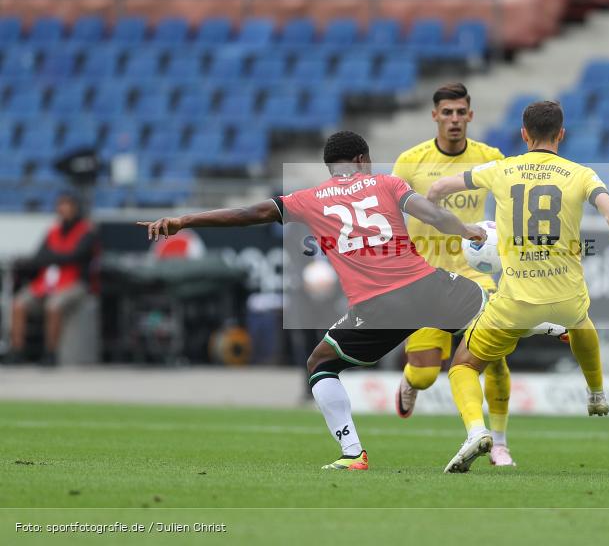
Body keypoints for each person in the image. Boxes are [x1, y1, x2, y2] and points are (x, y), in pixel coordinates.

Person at [139, 131, 488, 470]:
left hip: (378, 307)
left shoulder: (310, 198)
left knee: (320, 363)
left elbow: (248, 214)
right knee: (493, 311)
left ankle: (352, 453)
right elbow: (432, 214)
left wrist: (184, 221)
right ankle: (539, 326)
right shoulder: (388, 183)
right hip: (424, 286)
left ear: (330, 168)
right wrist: (467, 230)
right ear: (362, 160)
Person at [427, 101, 609, 473]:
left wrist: (434, 207)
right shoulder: (582, 174)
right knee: (581, 320)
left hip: (516, 299)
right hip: (566, 296)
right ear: (561, 135)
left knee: (463, 366)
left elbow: (442, 186)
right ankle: (597, 393)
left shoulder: (501, 169)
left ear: (524, 134)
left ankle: (476, 431)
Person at [391, 82, 518, 466]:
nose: (454, 120)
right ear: (435, 116)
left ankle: (498, 443)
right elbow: (390, 215)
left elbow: (512, 203)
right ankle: (410, 381)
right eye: (447, 113)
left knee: (493, 358)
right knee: (427, 374)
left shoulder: (489, 157)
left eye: (461, 112)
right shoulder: (410, 162)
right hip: (426, 279)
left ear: (470, 116)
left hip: (475, 278)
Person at [7, 192, 99, 366]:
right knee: (18, 303)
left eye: (67, 205)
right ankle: (17, 351)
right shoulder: (53, 231)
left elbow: (76, 256)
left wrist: (53, 256)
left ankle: (51, 353)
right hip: (47, 282)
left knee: (53, 305)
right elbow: (39, 256)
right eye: (60, 205)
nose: (63, 209)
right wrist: (57, 257)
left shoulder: (87, 232)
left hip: (74, 283)